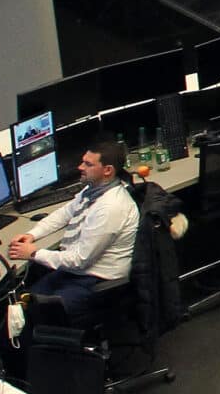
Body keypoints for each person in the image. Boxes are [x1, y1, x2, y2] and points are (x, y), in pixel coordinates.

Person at [8, 140, 138, 329]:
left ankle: (55, 354)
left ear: (107, 170)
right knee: (23, 301)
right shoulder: (93, 191)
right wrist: (32, 234)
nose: (80, 167)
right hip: (78, 273)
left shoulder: (111, 208)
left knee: (34, 311)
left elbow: (79, 260)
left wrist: (33, 253)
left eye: (88, 164)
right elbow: (65, 213)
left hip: (98, 281)